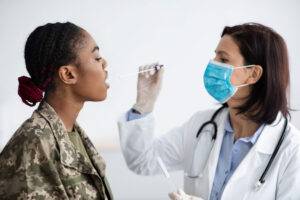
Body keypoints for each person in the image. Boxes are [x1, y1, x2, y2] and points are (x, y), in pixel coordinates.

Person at [118, 23, 300, 200]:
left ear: (253, 74)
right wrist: (144, 104)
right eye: (215, 57)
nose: (212, 65)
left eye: (223, 59)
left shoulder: (292, 150)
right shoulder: (201, 126)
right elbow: (142, 161)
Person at [0, 22, 113, 200]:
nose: (105, 63)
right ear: (68, 75)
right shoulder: (34, 144)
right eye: (97, 57)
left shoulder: (72, 133)